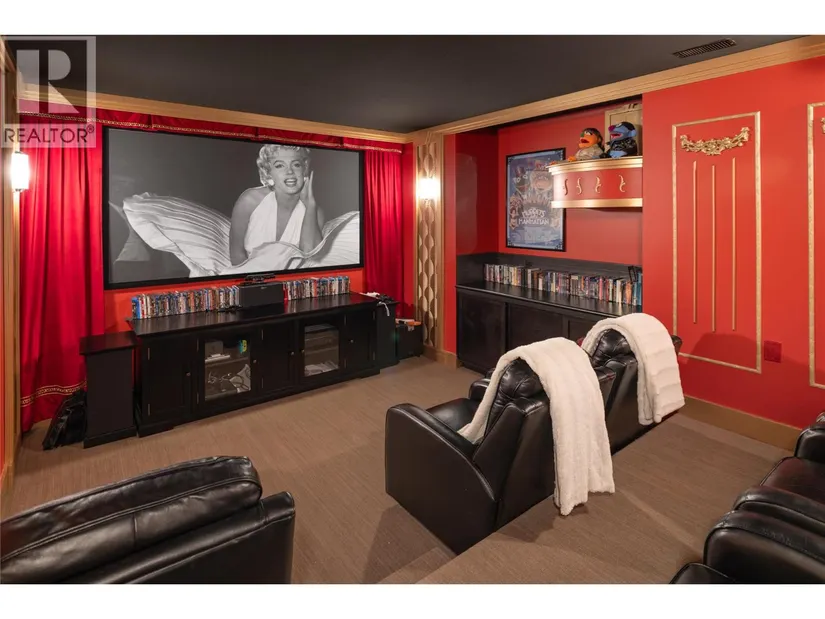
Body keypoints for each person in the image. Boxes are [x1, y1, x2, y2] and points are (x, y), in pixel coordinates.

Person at [229, 144, 324, 266]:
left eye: (296, 165)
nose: (289, 172)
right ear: (268, 172)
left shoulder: (314, 212)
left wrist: (309, 203)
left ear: (304, 169)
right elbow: (236, 255)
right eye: (280, 166)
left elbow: (310, 255)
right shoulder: (249, 201)